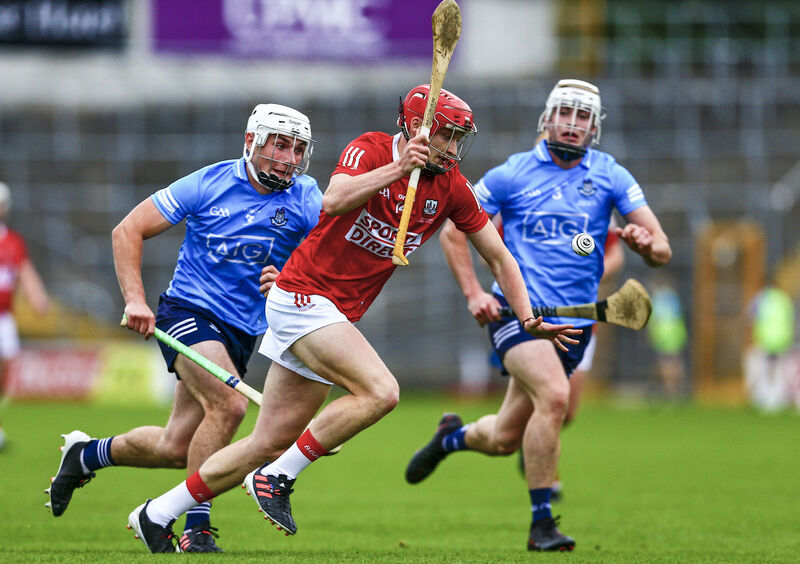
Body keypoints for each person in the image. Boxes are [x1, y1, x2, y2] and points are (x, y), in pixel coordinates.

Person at [124, 84, 580, 553]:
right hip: (303, 297)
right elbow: (334, 199)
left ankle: (156, 513)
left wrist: (526, 316)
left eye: (458, 138)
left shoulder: (452, 186)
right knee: (381, 391)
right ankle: (278, 478)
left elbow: (499, 257)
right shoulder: (371, 149)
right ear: (416, 127)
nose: (451, 147)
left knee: (267, 442)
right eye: (445, 135)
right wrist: (398, 169)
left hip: (333, 313)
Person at [405, 79, 672, 552]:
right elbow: (453, 232)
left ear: (595, 127)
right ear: (547, 118)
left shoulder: (611, 175)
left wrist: (647, 245)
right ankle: (542, 524)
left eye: (582, 117)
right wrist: (473, 293)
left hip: (575, 325)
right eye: (564, 113)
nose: (572, 124)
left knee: (505, 438)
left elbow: (662, 249)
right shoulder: (512, 174)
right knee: (555, 397)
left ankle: (450, 437)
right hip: (518, 315)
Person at [45, 104, 322, 553]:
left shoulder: (306, 196)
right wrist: (135, 300)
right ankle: (196, 528)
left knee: (175, 447)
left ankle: (87, 454)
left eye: (297, 149)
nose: (289, 158)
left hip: (242, 331)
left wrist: (291, 278)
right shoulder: (209, 183)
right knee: (229, 407)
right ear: (251, 141)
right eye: (279, 145)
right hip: (188, 312)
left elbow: (323, 260)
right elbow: (127, 230)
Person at [0, 181, 50, 451]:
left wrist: (37, 296)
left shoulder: (12, 241)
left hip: (4, 317)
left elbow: (25, 271)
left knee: (7, 364)